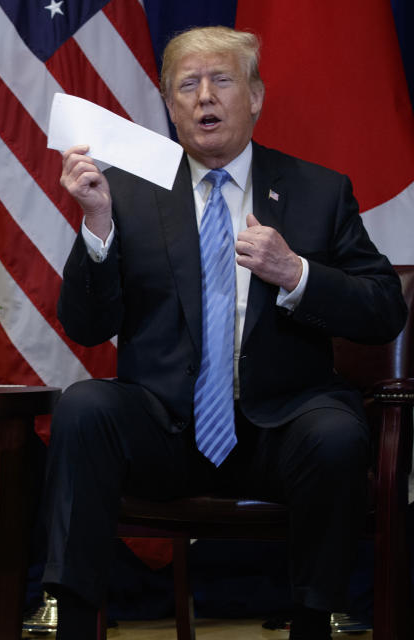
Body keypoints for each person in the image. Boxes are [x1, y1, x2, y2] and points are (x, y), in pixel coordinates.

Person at [43, 26, 408, 640]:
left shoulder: (318, 191)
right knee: (84, 407)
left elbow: (382, 310)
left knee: (338, 433)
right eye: (187, 85)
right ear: (170, 105)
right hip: (165, 430)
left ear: (256, 96)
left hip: (281, 429)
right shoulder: (125, 194)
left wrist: (296, 273)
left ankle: (314, 623)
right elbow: (86, 326)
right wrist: (97, 227)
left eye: (221, 81)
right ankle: (75, 624)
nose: (204, 97)